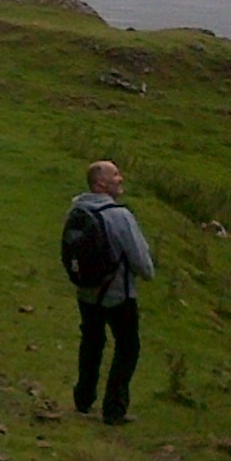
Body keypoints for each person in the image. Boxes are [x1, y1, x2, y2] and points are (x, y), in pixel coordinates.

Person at [70, 159, 154, 425]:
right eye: (115, 174)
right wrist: (148, 273)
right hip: (118, 294)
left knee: (91, 342)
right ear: (101, 184)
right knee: (128, 347)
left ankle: (83, 399)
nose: (121, 178)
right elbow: (141, 262)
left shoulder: (77, 210)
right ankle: (114, 409)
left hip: (86, 292)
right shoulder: (120, 216)